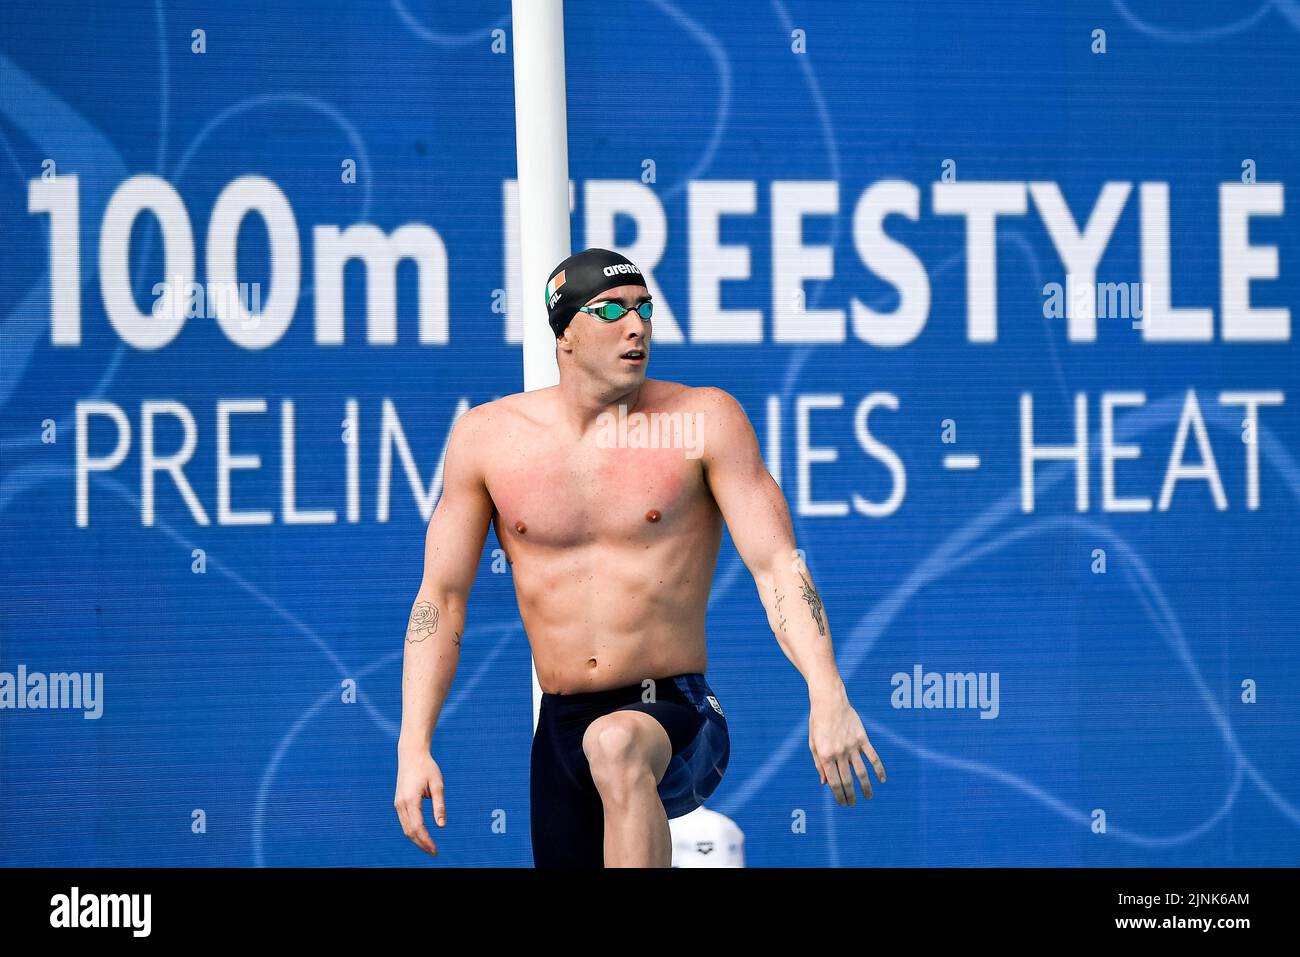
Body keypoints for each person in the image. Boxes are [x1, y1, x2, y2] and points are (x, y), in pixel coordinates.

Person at [394, 248, 886, 867]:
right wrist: (414, 743)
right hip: (561, 727)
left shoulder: (703, 420)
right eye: (612, 311)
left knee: (617, 741)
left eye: (644, 308)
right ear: (564, 332)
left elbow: (778, 567)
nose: (638, 325)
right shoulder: (488, 440)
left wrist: (826, 690)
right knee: (598, 745)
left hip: (674, 710)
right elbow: (441, 599)